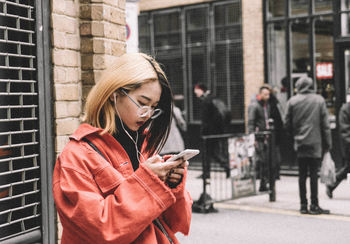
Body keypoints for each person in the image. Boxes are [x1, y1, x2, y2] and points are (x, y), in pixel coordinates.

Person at [53, 53, 193, 244]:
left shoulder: (144, 146)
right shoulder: (76, 157)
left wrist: (171, 185)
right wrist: (148, 182)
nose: (148, 114)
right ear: (114, 93)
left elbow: (176, 224)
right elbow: (100, 231)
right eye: (143, 103)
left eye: (154, 107)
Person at [284, 76, 331, 215]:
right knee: (313, 175)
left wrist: (294, 136)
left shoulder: (292, 101)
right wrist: (328, 144)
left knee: (302, 175)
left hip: (300, 142)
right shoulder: (319, 100)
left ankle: (303, 205)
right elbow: (325, 125)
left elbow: (287, 123)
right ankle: (314, 204)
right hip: (315, 142)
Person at [194, 83, 230, 178]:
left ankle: (208, 173)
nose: (195, 93)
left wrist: (203, 132)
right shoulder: (214, 99)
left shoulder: (206, 101)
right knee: (213, 152)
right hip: (217, 131)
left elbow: (206, 119)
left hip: (209, 132)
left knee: (207, 153)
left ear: (201, 90)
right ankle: (226, 166)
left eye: (196, 91)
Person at [248, 85, 271, 191]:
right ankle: (258, 183)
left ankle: (263, 183)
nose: (268, 96)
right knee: (260, 161)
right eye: (266, 94)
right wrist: (252, 138)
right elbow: (251, 122)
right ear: (260, 94)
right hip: (258, 137)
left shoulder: (265, 105)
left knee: (265, 162)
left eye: (269, 94)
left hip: (265, 136)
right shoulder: (255, 105)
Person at [326, 102, 350, 198]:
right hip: (349, 144)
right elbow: (345, 130)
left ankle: (331, 185)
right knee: (347, 167)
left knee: (348, 167)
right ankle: (331, 185)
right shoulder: (346, 109)